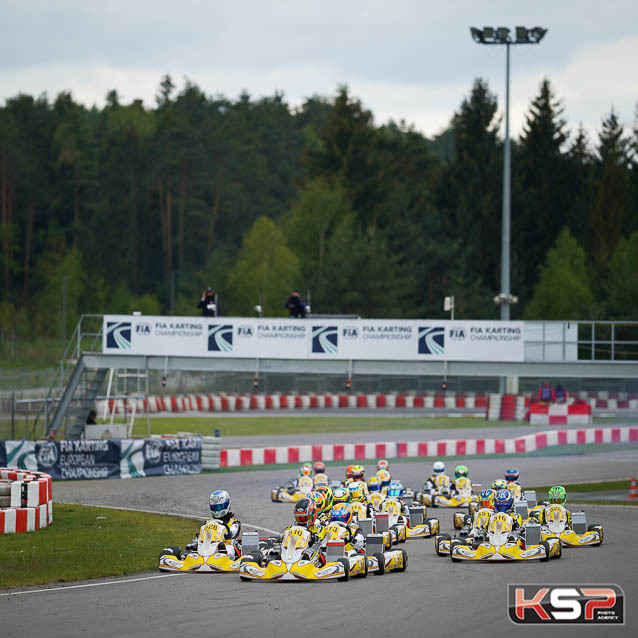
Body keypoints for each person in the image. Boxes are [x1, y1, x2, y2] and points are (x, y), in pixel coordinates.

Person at [186, 490, 241, 557]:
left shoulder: (234, 523)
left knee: (229, 548)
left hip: (225, 547)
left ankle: (222, 562)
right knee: (193, 549)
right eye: (214, 507)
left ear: (227, 505)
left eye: (220, 507)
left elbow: (233, 533)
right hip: (207, 548)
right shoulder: (207, 523)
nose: (217, 510)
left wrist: (227, 533)